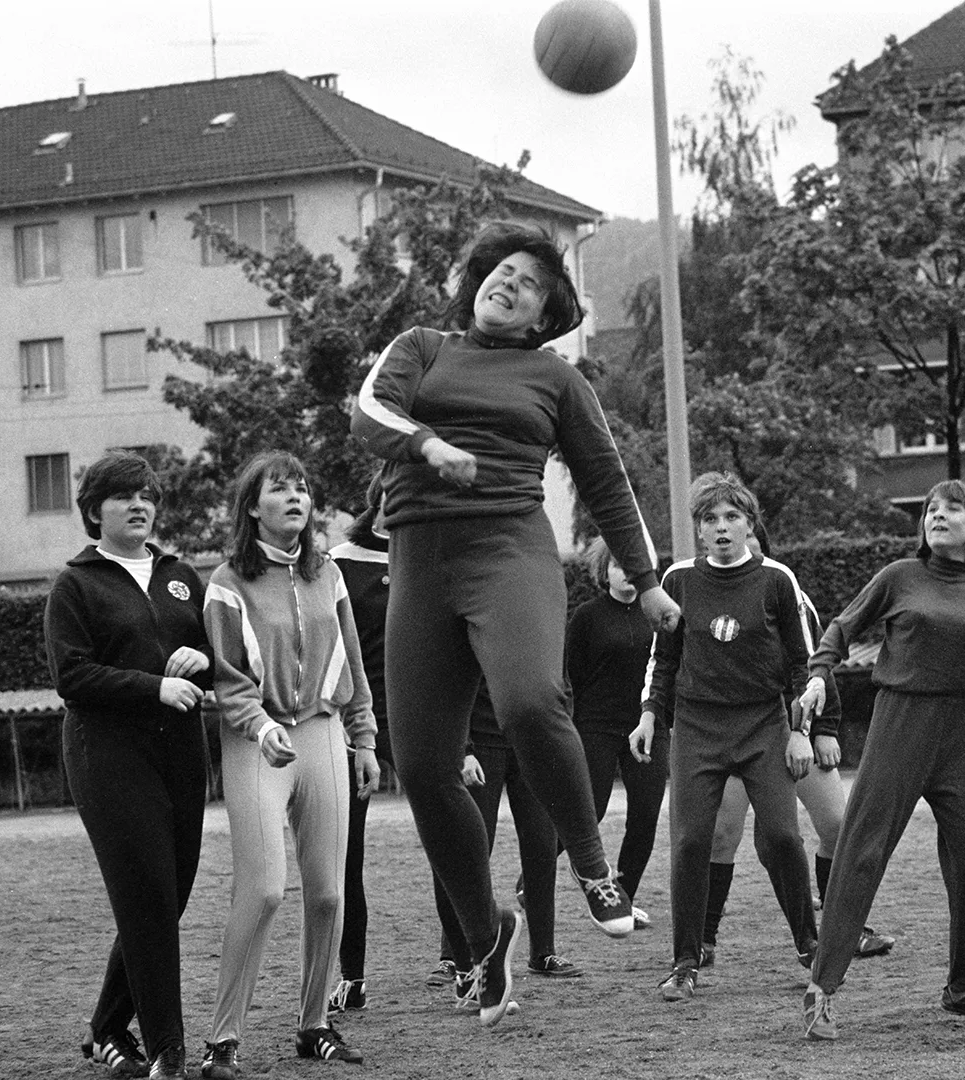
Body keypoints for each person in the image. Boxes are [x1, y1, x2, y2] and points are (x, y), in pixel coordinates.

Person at [351, 220, 679, 1027]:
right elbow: (366, 416)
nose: (508, 282)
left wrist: (647, 580)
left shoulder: (555, 378)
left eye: (529, 280)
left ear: (544, 315)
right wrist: (426, 446)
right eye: (501, 269)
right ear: (476, 281)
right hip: (421, 562)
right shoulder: (420, 347)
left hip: (510, 549)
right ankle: (484, 936)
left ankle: (594, 871)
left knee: (533, 701)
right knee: (423, 767)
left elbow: (607, 482)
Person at [797, 479, 965, 1042]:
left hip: (959, 731)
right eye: (929, 509)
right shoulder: (899, 576)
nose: (936, 515)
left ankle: (961, 988)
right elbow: (843, 627)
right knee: (862, 851)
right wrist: (821, 671)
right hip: (899, 721)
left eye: (951, 509)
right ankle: (822, 990)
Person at [199, 452, 380, 1079]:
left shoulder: (327, 575)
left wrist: (365, 740)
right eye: (280, 489)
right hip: (258, 742)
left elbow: (353, 666)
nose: (296, 497)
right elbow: (227, 679)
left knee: (329, 893)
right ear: (253, 507)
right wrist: (262, 726)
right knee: (266, 889)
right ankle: (222, 1040)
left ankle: (313, 1025)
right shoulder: (225, 582)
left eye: (303, 487)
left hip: (325, 734)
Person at [46, 450, 212, 1080]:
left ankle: (108, 1028)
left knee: (169, 892)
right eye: (123, 496)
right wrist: (153, 687)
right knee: (146, 891)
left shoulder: (181, 575)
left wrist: (200, 660)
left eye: (147, 494)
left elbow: (218, 649)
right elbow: (73, 674)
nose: (140, 504)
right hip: (107, 753)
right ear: (95, 511)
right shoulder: (76, 584)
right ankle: (168, 1047)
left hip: (181, 749)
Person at [630, 472, 818, 1003]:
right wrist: (649, 715)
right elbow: (661, 660)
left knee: (782, 837)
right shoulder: (678, 581)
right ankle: (686, 962)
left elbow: (803, 666)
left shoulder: (778, 579)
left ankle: (810, 944)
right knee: (690, 841)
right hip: (695, 727)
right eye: (709, 519)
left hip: (763, 724)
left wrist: (800, 730)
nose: (720, 528)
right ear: (697, 528)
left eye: (732, 517)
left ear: (749, 523)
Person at [699, 525, 895, 969]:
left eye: (753, 547)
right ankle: (703, 938)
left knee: (837, 824)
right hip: (734, 734)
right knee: (720, 836)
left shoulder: (788, 593)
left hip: (795, 733)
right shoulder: (703, 597)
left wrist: (822, 728)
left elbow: (817, 667)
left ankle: (845, 925)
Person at [434, 687, 582, 1018]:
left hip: (531, 744)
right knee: (471, 851)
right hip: (481, 744)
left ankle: (543, 952)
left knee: (542, 846)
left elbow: (558, 678)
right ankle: (454, 956)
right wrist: (464, 747)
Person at [565, 537, 670, 930]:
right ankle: (533, 877)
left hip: (649, 727)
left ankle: (623, 898)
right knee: (587, 810)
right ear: (603, 571)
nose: (626, 573)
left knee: (644, 818)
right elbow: (569, 673)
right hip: (596, 726)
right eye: (617, 566)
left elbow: (669, 667)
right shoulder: (587, 617)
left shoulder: (658, 614)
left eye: (633, 565)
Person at [326, 475, 393, 1015]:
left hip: (421, 713)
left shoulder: (431, 554)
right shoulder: (338, 561)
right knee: (345, 855)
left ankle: (467, 964)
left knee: (455, 836)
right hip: (355, 717)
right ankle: (352, 977)